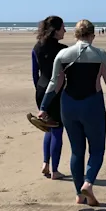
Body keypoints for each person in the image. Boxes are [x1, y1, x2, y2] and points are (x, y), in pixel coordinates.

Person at [38, 19, 106, 206]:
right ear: (92, 35)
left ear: (76, 35)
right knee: (97, 149)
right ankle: (88, 183)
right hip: (92, 105)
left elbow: (55, 84)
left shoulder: (63, 54)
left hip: (68, 105)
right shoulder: (100, 54)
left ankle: (79, 194)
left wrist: (44, 107)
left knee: (77, 151)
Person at [30, 16, 67, 179]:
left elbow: (34, 74)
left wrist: (40, 93)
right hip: (57, 93)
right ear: (55, 30)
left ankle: (45, 163)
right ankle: (55, 170)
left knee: (48, 128)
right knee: (57, 130)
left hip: (40, 90)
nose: (65, 30)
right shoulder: (63, 50)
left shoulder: (36, 47)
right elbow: (67, 76)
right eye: (63, 28)